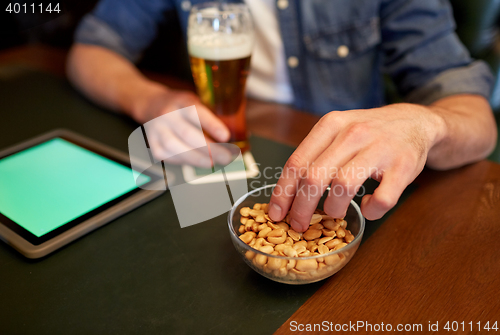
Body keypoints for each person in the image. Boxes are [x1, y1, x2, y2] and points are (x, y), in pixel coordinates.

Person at [67, 0, 498, 233]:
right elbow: (91, 49)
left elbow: (477, 120)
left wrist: (422, 125)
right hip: (222, 160)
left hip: (351, 181)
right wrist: (148, 99)